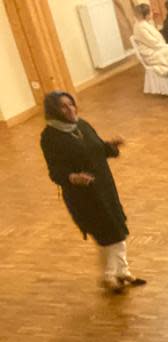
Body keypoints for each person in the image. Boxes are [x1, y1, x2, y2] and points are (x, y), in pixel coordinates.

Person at [39, 91, 145, 294]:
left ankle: (122, 272)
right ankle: (110, 276)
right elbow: (55, 171)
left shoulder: (82, 125)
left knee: (117, 228)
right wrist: (73, 177)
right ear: (54, 111)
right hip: (84, 196)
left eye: (71, 104)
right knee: (108, 234)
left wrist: (111, 146)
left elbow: (97, 149)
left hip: (104, 188)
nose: (70, 109)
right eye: (63, 107)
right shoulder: (50, 137)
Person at [133, 4, 168, 76]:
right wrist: (166, 46)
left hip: (154, 48)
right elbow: (152, 43)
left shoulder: (145, 23)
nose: (152, 13)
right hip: (150, 53)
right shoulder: (140, 27)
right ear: (146, 15)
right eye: (151, 12)